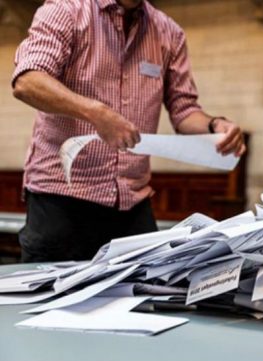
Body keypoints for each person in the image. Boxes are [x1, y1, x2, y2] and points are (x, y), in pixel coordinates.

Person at [12, 0, 246, 262]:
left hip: (131, 201)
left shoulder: (169, 32)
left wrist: (214, 125)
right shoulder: (66, 10)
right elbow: (28, 81)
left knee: (145, 296)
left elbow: (184, 110)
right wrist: (96, 113)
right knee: (52, 300)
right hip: (61, 199)